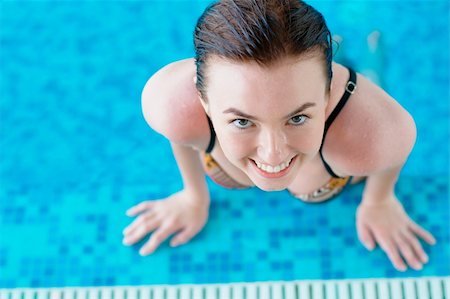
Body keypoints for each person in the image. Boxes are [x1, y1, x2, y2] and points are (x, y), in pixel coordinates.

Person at [122, 0, 436, 272]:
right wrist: (193, 195)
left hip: (345, 103)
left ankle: (367, 59)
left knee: (372, 76)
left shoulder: (375, 134)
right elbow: (183, 138)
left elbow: (394, 153)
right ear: (203, 101)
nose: (273, 156)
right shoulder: (173, 107)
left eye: (297, 117)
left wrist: (379, 200)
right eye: (242, 121)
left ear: (327, 95)